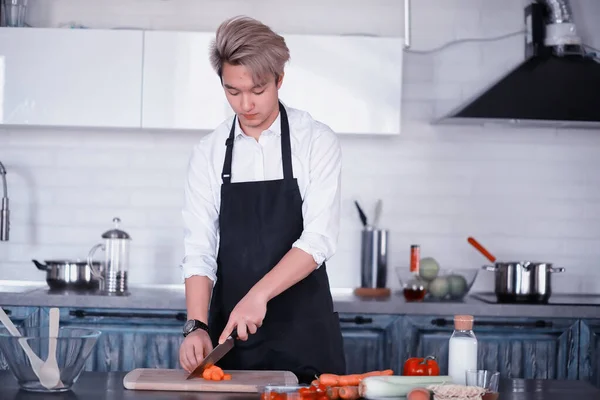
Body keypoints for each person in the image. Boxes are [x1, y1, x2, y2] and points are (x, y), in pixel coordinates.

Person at [178, 15, 345, 383]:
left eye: (257, 90)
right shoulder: (207, 153)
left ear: (279, 80)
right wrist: (196, 325)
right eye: (232, 91)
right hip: (233, 340)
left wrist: (258, 296)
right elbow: (199, 248)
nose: (245, 104)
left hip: (305, 335)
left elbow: (318, 239)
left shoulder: (316, 141)